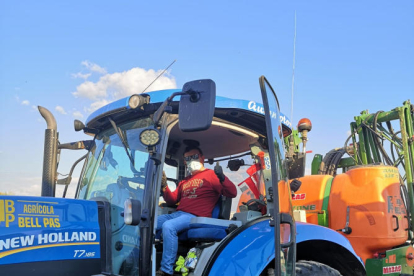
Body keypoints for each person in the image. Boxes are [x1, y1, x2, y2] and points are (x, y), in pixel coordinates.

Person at [156, 146, 237, 276]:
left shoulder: (211, 175)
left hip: (194, 216)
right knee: (148, 222)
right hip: (178, 214)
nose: (191, 160)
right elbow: (172, 200)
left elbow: (232, 192)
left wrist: (221, 176)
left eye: (194, 157)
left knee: (168, 226)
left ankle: (166, 270)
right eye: (187, 158)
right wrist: (164, 187)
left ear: (202, 158)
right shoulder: (184, 181)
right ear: (184, 162)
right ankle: (139, 260)